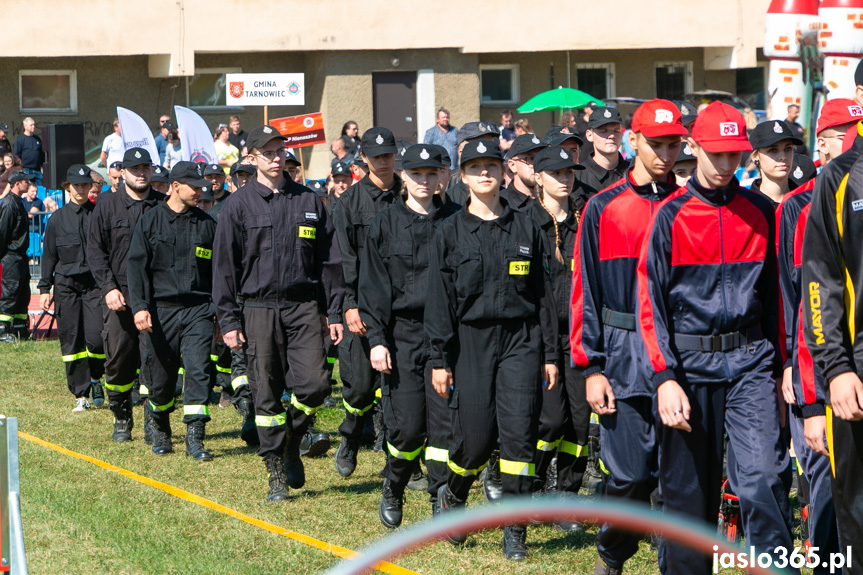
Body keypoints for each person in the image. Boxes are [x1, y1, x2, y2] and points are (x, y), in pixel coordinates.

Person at [638, 102, 795, 574]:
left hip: (752, 363)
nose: (728, 165)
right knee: (689, 497)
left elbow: (778, 301)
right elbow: (651, 306)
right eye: (718, 154)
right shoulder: (668, 217)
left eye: (736, 155)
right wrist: (664, 377)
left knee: (765, 479)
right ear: (695, 148)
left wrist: (786, 364)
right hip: (687, 369)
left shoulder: (764, 213)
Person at [427, 139, 558, 560]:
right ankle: (455, 492)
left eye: (491, 166)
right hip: (471, 342)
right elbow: (440, 302)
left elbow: (542, 297)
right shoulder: (447, 231)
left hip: (521, 341)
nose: (484, 173)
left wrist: (550, 354)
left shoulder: (527, 226)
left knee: (520, 439)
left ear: (504, 173)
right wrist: (438, 360)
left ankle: (514, 529)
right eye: (475, 167)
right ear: (461, 176)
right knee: (478, 439)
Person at [572, 99, 687, 574]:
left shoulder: (690, 206)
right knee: (630, 476)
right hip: (622, 357)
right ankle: (613, 552)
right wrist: (591, 367)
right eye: (655, 143)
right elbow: (585, 295)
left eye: (673, 143)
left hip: (681, 358)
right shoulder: (602, 208)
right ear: (632, 141)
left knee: (678, 480)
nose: (665, 153)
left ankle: (672, 562)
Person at [213, 125, 345, 502]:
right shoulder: (237, 207)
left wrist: (332, 311)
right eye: (267, 152)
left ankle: (293, 437)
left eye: (279, 151)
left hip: (304, 306)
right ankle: (275, 470)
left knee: (317, 385)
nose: (275, 158)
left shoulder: (310, 200)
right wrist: (228, 320)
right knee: (265, 393)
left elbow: (329, 262)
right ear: (251, 157)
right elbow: (224, 269)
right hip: (257, 309)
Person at [776, 98, 860, 575]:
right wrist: (804, 385)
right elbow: (801, 299)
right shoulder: (800, 206)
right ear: (824, 145)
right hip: (826, 370)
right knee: (828, 483)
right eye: (843, 132)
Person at [359, 144, 460, 528]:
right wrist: (377, 340)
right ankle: (394, 484)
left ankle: (440, 499)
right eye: (416, 173)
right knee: (408, 427)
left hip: (447, 337)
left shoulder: (456, 219)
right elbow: (372, 288)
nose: (423, 180)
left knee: (444, 426)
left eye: (430, 173)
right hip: (402, 335)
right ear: (403, 176)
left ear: (440, 178)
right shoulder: (384, 224)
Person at [801, 110, 863, 573]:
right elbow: (820, 284)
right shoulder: (839, 179)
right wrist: (837, 369)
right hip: (857, 377)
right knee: (858, 510)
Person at [127, 162, 217, 460]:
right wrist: (139, 308)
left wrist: (218, 310)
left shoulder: (207, 224)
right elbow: (136, 269)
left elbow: (219, 272)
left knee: (198, 370)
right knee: (161, 377)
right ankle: (161, 429)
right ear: (176, 186)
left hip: (198, 310)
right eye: (195, 186)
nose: (200, 191)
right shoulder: (150, 221)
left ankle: (195, 436)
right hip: (160, 311)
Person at [331, 127, 401, 478]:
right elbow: (343, 259)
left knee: (403, 388)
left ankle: (404, 460)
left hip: (404, 306)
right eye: (377, 156)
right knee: (359, 387)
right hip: (363, 306)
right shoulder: (348, 204)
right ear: (364, 161)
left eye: (388, 154)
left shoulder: (411, 196)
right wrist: (349, 305)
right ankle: (350, 434)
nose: (384, 161)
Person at [528, 145, 590, 531]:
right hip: (540, 337)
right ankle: (531, 488)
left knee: (580, 422)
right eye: (556, 173)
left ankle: (567, 496)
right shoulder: (525, 222)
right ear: (539, 177)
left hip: (579, 336)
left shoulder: (584, 220)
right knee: (550, 420)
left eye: (570, 172)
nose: (565, 179)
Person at [87, 147, 166, 442]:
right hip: (119, 296)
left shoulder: (163, 205)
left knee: (154, 359)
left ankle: (152, 422)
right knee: (119, 359)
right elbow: (95, 252)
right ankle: (121, 416)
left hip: (156, 296)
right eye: (135, 169)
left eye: (146, 167)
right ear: (122, 172)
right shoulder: (106, 206)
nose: (142, 173)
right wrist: (108, 288)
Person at [38, 165, 105, 411]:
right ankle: (81, 394)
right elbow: (48, 257)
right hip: (66, 285)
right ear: (68, 187)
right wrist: (45, 288)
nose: (80, 189)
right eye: (76, 185)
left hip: (94, 285)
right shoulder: (56, 219)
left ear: (90, 187)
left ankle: (97, 377)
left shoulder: (99, 215)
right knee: (71, 341)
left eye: (85, 185)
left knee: (97, 339)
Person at [0, 171, 34, 343]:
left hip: (21, 257)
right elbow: (3, 232)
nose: (28, 184)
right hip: (10, 257)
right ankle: (2, 330)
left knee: (23, 293)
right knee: (10, 293)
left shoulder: (18, 203)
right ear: (17, 183)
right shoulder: (8, 205)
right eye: (25, 181)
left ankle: (20, 328)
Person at [747, 120, 803, 207]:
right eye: (773, 150)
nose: (783, 156)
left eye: (788, 149)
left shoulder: (806, 201)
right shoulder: (747, 205)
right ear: (755, 156)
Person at [445, 121, 500, 205]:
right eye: (480, 148)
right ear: (461, 153)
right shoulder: (448, 196)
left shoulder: (507, 197)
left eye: (491, 146)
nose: (488, 151)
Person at [580, 107, 627, 193]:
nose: (612, 136)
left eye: (616, 130)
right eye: (603, 131)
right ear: (589, 135)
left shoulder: (633, 172)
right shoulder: (578, 177)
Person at [500, 133, 547, 211]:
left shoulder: (553, 199)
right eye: (530, 158)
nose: (537, 164)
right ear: (513, 165)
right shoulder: (501, 204)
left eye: (541, 158)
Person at [14, 118, 44, 186]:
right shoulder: (20, 139)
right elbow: (16, 155)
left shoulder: (37, 139)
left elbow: (41, 154)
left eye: (34, 125)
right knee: (27, 189)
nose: (33, 127)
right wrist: (20, 168)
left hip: (37, 170)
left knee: (40, 190)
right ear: (25, 126)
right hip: (26, 170)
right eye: (31, 125)